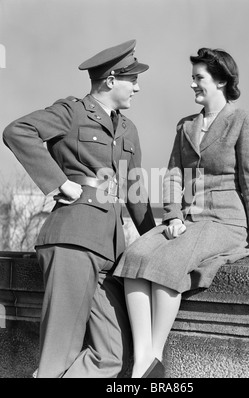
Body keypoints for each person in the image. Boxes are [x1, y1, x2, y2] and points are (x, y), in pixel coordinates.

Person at [113, 47, 249, 378]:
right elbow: (173, 176)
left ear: (221, 81)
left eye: (199, 78)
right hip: (187, 220)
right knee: (136, 254)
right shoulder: (185, 125)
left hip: (226, 222)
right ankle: (144, 358)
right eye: (193, 78)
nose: (193, 84)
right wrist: (172, 218)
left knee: (169, 262)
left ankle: (153, 356)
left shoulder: (243, 120)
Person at [2, 39, 156, 378]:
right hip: (73, 239)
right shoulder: (72, 112)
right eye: (133, 79)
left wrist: (158, 241)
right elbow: (17, 131)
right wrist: (60, 182)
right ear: (111, 80)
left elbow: (134, 192)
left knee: (111, 356)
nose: (138, 87)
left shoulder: (129, 129)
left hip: (111, 251)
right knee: (60, 352)